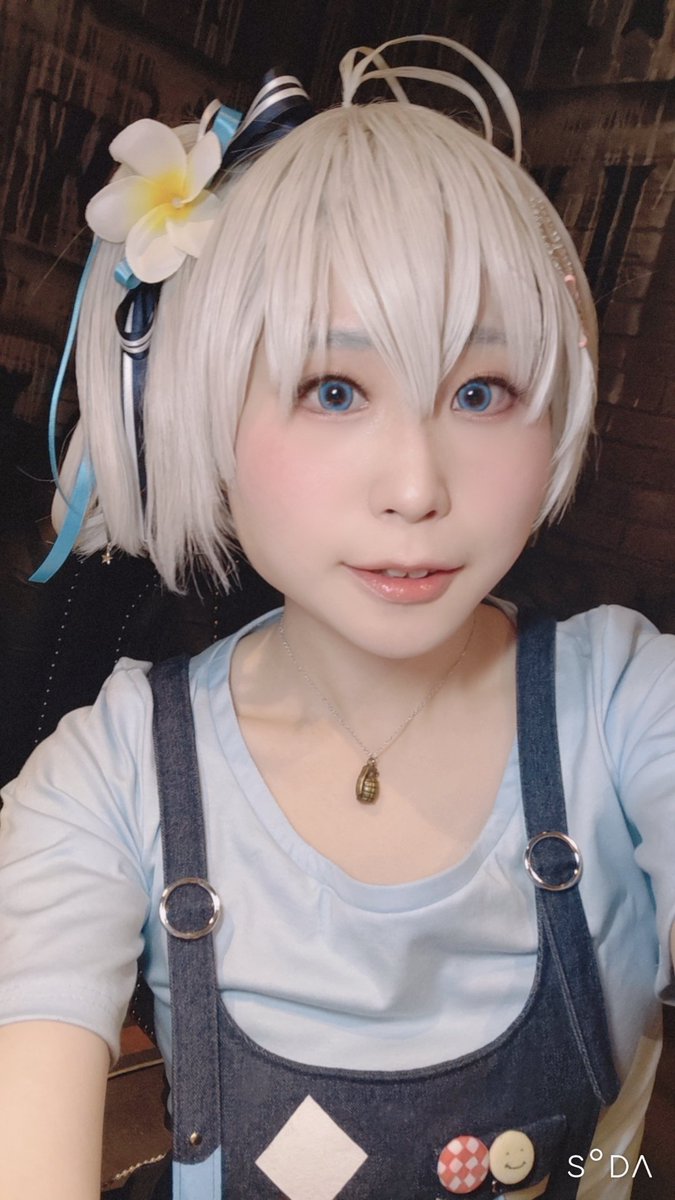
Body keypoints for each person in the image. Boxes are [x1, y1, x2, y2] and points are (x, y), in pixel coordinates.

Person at [0, 35, 673, 1200]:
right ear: (206, 408)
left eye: (480, 391)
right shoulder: (110, 776)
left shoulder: (626, 710)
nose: (416, 487)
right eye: (334, 389)